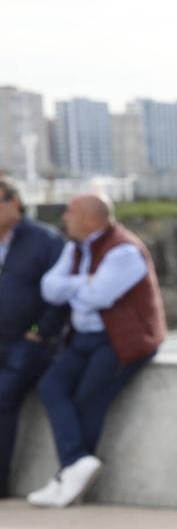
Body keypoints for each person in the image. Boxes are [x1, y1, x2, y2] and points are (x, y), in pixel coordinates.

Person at [26, 193, 165, 507]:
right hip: (84, 337)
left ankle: (68, 475)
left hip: (123, 340)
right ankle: (74, 466)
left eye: (70, 212)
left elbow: (99, 296)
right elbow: (49, 287)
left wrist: (74, 286)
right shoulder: (75, 248)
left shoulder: (124, 250)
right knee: (51, 386)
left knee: (89, 400)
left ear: (90, 218)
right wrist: (83, 282)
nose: (64, 217)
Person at [0, 179, 66, 491]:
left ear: (15, 203)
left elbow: (61, 295)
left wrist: (38, 333)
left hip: (26, 344)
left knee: (2, 400)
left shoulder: (45, 241)